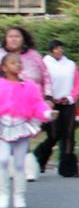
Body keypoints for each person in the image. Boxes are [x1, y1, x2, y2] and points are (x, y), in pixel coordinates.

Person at [0, 53, 55, 208]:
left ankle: (19, 196)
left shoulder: (29, 86)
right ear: (4, 67)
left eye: (18, 62)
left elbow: (37, 104)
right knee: (2, 160)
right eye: (12, 63)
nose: (17, 65)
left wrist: (47, 113)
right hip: (3, 126)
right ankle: (3, 194)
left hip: (21, 126)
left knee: (19, 163)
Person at [2, 26, 51, 181]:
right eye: (11, 36)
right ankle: (9, 167)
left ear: (23, 39)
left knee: (24, 137)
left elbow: (46, 76)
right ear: (6, 39)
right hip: (5, 106)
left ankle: (27, 169)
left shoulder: (33, 56)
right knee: (6, 139)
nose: (14, 39)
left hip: (29, 103)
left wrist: (48, 97)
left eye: (17, 36)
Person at [34, 39, 79, 178]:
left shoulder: (71, 65)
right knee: (53, 135)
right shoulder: (44, 64)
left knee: (69, 134)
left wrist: (70, 97)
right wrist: (48, 99)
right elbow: (39, 83)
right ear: (51, 50)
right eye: (56, 48)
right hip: (51, 103)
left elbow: (78, 84)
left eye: (60, 48)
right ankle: (38, 159)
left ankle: (69, 169)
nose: (59, 51)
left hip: (67, 103)